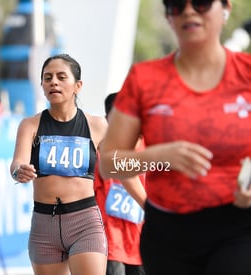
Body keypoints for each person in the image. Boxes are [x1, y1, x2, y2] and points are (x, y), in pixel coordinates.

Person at [99, 1, 251, 274]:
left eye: (202, 3)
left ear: (225, 9)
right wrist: (158, 157)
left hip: (238, 228)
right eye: (177, 5)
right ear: (169, 15)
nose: (189, 11)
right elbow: (109, 163)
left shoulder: (247, 73)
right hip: (168, 234)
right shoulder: (144, 79)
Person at [10, 53, 108, 275]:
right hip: (44, 226)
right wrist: (19, 172)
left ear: (77, 85)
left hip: (85, 223)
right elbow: (17, 163)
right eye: (47, 78)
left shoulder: (97, 125)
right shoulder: (30, 125)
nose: (53, 82)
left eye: (61, 77)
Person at [94, 93, 146, 275]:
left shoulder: (153, 149)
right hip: (111, 241)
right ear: (107, 119)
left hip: (143, 240)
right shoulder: (100, 153)